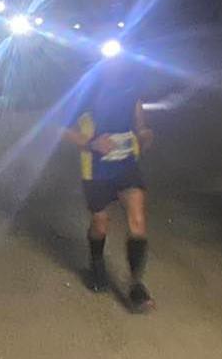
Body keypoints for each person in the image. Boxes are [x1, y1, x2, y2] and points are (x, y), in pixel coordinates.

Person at [61, 54, 157, 312]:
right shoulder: (87, 93)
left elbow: (140, 124)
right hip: (96, 170)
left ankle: (136, 284)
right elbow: (62, 128)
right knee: (100, 224)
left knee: (137, 220)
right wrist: (92, 143)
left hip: (127, 166)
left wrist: (145, 134)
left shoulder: (132, 90)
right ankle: (96, 263)